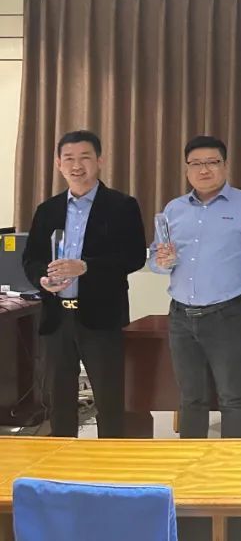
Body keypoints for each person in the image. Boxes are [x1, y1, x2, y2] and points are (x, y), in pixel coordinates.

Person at [149, 135, 241, 438]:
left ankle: (231, 463)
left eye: (212, 162)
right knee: (190, 398)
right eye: (196, 163)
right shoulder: (173, 209)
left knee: (232, 397)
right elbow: (156, 261)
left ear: (225, 166)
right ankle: (192, 460)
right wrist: (162, 261)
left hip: (227, 315)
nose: (204, 169)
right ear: (186, 169)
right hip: (181, 316)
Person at [23, 130, 146, 437]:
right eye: (69, 159)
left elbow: (133, 257)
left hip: (102, 317)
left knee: (109, 400)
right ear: (58, 164)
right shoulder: (47, 210)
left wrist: (86, 267)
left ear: (100, 161)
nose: (76, 165)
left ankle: (109, 462)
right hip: (56, 318)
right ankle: (62, 459)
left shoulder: (121, 206)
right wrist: (42, 279)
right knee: (59, 401)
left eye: (85, 158)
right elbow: (31, 259)